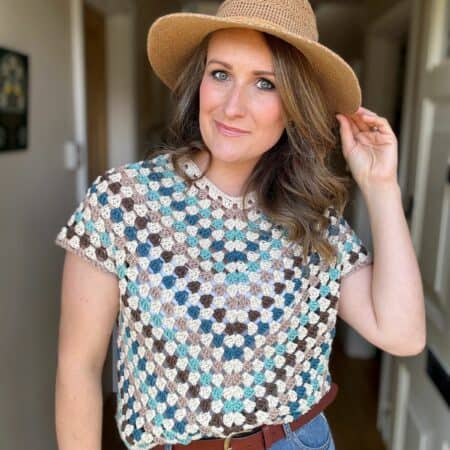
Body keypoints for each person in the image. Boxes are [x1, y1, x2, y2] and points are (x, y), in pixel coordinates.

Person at [54, 0, 426, 449]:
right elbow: (78, 367)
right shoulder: (121, 202)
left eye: (265, 83)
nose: (233, 107)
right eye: (221, 73)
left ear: (294, 106)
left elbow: (403, 334)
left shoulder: (313, 219)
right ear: (199, 82)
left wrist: (381, 185)